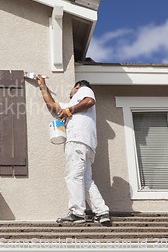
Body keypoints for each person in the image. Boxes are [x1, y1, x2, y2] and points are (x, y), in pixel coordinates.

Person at [37, 76, 110, 224]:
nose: (71, 95)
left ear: (77, 87)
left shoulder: (84, 90)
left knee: (73, 176)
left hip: (77, 141)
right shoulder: (72, 103)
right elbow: (51, 104)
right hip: (87, 144)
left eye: (72, 93)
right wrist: (43, 86)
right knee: (85, 180)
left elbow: (89, 101)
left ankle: (77, 212)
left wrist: (69, 110)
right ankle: (102, 212)